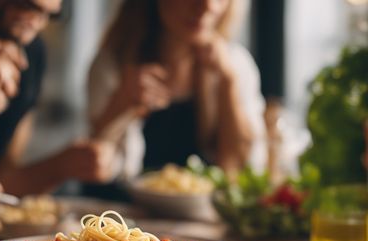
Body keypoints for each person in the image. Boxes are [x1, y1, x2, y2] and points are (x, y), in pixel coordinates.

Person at [88, 0, 266, 181]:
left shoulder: (235, 65)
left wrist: (228, 83)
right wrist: (120, 103)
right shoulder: (112, 65)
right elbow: (93, 162)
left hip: (202, 209)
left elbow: (240, 168)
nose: (208, 6)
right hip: (123, 207)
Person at [0, 0, 115, 198]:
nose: (37, 24)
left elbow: (2, 181)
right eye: (25, 6)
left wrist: (61, 166)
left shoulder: (32, 54)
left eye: (50, 15)